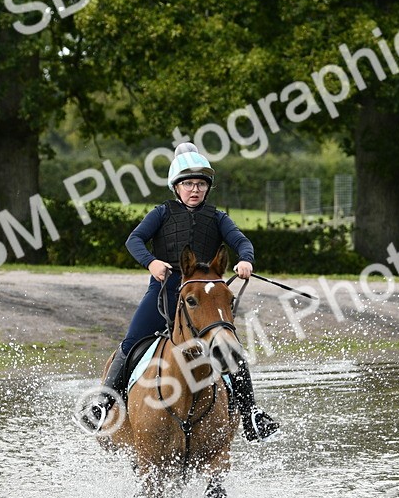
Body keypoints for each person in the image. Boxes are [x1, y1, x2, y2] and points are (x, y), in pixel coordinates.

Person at [83, 142, 281, 442]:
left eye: (201, 184)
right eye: (188, 183)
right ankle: (104, 403)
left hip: (204, 299)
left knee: (231, 348)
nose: (195, 189)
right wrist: (151, 262)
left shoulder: (218, 218)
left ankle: (251, 412)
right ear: (176, 187)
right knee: (131, 342)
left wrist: (245, 260)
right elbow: (134, 240)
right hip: (164, 291)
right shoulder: (161, 213)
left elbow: (242, 243)